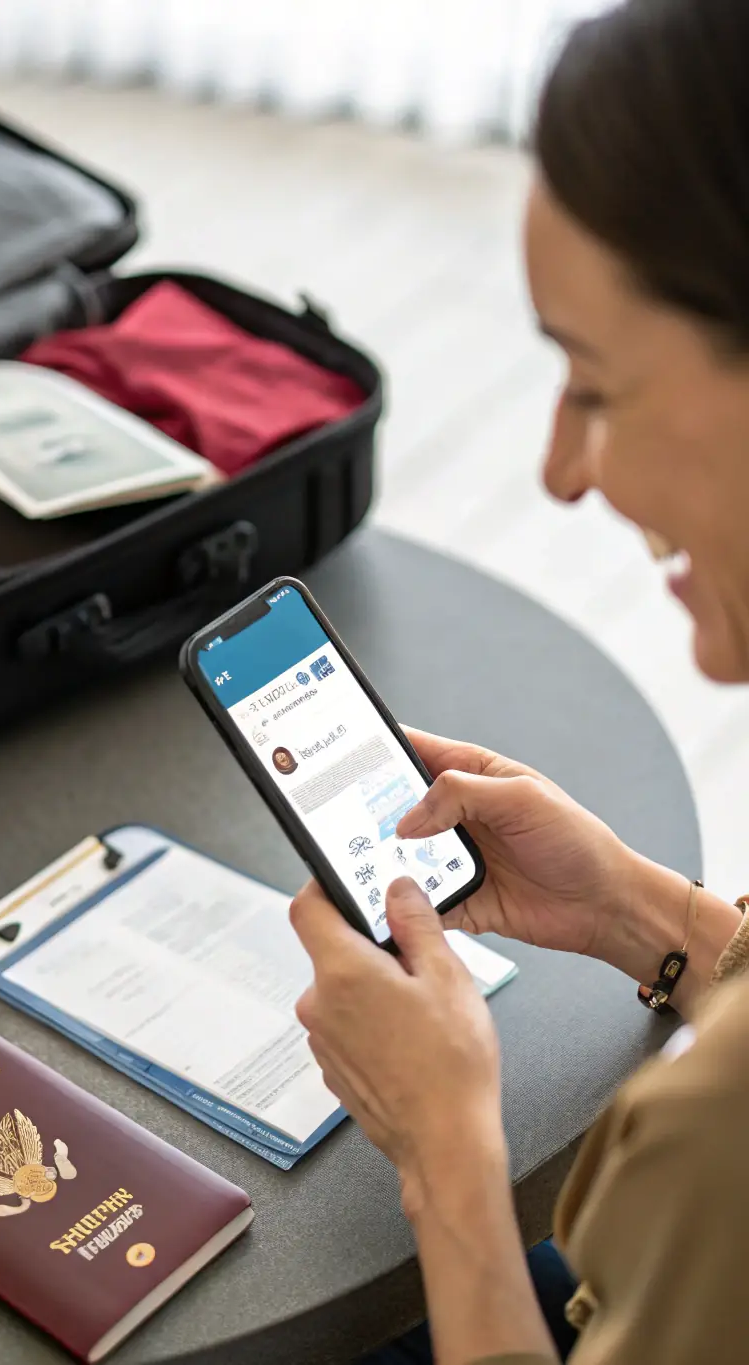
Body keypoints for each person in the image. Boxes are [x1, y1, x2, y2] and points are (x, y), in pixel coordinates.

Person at [289, 2, 749, 1362]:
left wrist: (441, 1161)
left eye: (594, 388)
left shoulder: (715, 1139)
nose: (560, 472)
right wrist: (639, 911)